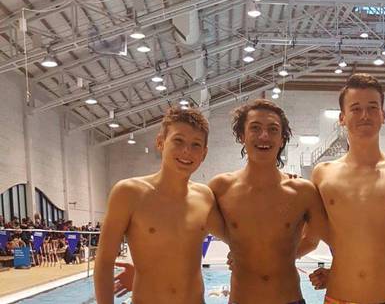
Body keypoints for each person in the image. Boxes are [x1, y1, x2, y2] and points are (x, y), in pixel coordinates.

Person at [113, 99, 328, 304]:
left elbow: (315, 239)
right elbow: (175, 229)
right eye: (254, 128)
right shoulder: (219, 188)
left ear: (282, 139)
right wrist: (146, 273)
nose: (264, 135)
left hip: (289, 298)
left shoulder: (303, 191)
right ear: (241, 135)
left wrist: (282, 258)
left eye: (273, 130)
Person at [309, 73, 385, 303]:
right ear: (342, 117)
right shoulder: (323, 174)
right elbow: (308, 236)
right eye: (355, 108)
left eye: (372, 108)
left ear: (384, 115)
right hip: (339, 296)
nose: (365, 115)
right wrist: (249, 257)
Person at [94, 107, 226, 304]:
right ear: (160, 143)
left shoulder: (204, 197)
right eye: (178, 141)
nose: (186, 151)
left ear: (204, 153)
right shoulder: (129, 193)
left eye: (196, 145)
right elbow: (104, 262)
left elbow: (238, 238)